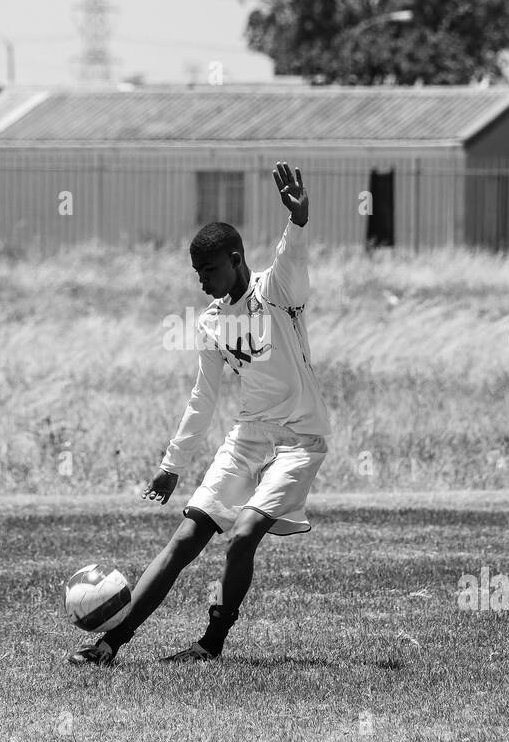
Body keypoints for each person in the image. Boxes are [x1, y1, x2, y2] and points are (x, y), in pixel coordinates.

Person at [69, 161, 331, 665]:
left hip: (300, 438)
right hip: (250, 436)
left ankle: (210, 644)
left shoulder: (279, 293)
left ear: (235, 260)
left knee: (243, 536)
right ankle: (109, 646)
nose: (202, 283)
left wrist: (298, 220)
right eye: (197, 274)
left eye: (209, 271)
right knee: (186, 538)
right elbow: (202, 397)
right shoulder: (212, 324)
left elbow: (290, 255)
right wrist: (172, 466)